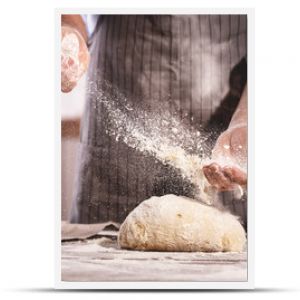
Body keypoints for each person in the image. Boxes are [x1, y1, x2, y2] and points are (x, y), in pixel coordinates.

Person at [61, 14, 248, 226]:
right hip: (114, 157)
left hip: (226, 147)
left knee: (225, 245)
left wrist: (246, 119)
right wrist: (68, 28)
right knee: (100, 249)